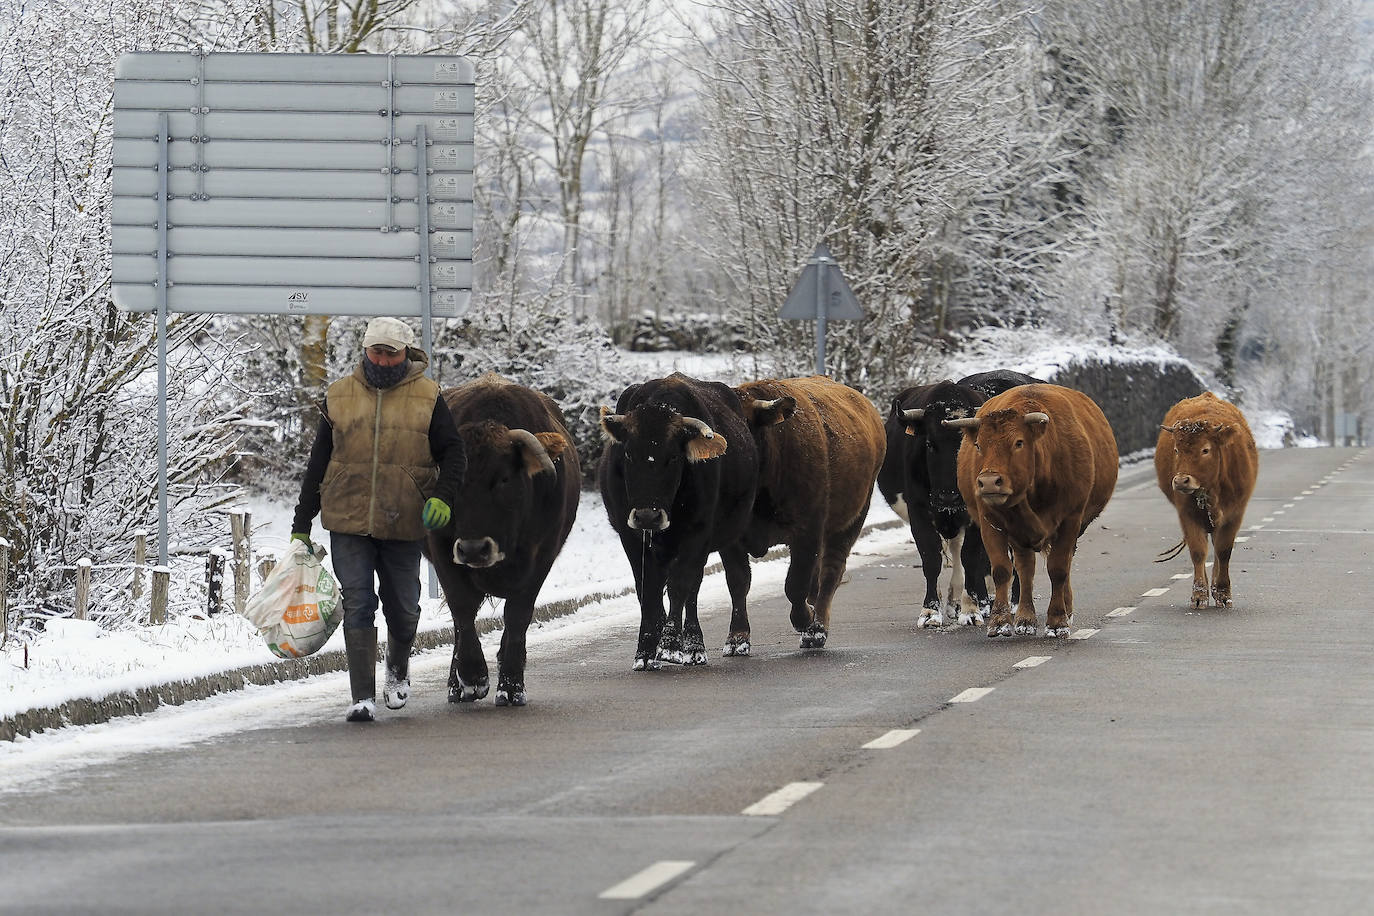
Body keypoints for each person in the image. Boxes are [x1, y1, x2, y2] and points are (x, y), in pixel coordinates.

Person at [292, 316, 465, 722]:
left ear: (406, 354)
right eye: (377, 352)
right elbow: (318, 462)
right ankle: (361, 697)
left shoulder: (428, 396)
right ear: (365, 351)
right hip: (347, 517)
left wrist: (443, 497)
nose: (384, 361)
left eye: (392, 354)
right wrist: (302, 523)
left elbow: (454, 453)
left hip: (404, 519)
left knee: (403, 607)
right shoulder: (338, 395)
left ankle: (398, 669)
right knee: (358, 600)